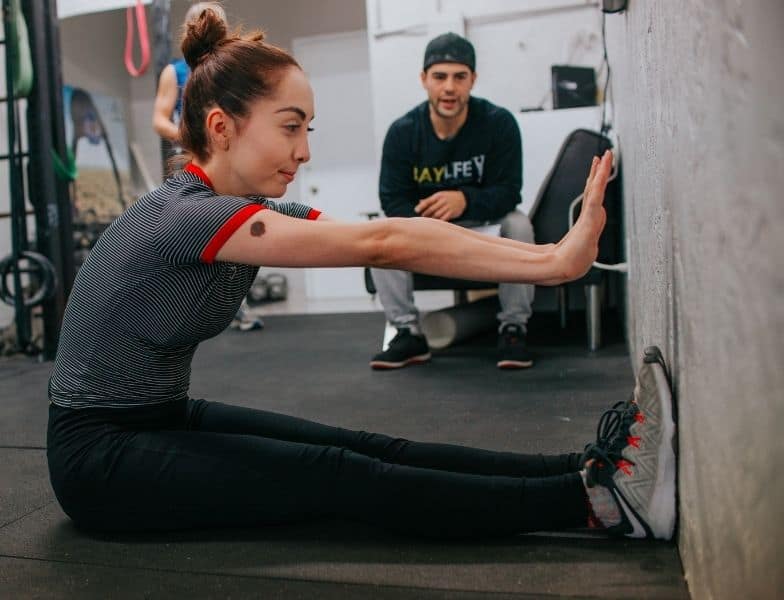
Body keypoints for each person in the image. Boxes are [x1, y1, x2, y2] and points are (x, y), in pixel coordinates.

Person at [47, 6, 676, 541]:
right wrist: (554, 263)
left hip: (159, 416)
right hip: (99, 457)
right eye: (290, 127)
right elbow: (385, 240)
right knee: (337, 474)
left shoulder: (253, 210)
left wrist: (552, 258)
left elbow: (401, 239)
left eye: (307, 129)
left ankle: (590, 468)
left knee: (365, 447)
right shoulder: (186, 217)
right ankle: (600, 506)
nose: (305, 151)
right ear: (222, 127)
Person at [369, 32, 535, 371]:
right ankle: (407, 332)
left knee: (519, 224)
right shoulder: (403, 132)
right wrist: (428, 226)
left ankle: (513, 328)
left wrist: (464, 200)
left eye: (460, 77)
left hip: (480, 223)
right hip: (426, 227)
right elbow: (392, 198)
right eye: (440, 77)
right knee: (376, 229)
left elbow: (509, 191)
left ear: (472, 79)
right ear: (424, 80)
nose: (449, 87)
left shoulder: (498, 123)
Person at [152, 1, 262, 331]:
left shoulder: (233, 69)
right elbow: (159, 118)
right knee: (189, 230)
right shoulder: (175, 72)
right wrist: (191, 139)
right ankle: (184, 307)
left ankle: (234, 306)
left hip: (229, 159)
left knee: (236, 225)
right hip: (192, 161)